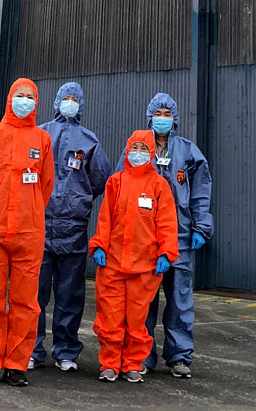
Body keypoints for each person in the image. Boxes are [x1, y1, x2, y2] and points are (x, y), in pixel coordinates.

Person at [0, 78, 54, 387]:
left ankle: (17, 363)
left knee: (26, 301)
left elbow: (46, 185)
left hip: (29, 233)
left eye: (30, 96)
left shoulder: (42, 139)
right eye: (19, 95)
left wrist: (30, 211)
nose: (24, 100)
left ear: (36, 102)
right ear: (9, 99)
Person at [30, 81, 110, 372]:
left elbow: (100, 178)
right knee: (33, 294)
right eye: (66, 98)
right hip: (39, 226)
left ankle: (65, 351)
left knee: (70, 295)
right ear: (57, 102)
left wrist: (77, 199)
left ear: (81, 104)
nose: (70, 102)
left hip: (73, 230)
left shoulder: (89, 140)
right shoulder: (40, 134)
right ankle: (31, 348)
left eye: (74, 98)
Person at [89, 131, 179, 383]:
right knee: (110, 317)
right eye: (134, 147)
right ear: (127, 150)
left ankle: (132, 364)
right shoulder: (115, 182)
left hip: (145, 266)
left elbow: (167, 223)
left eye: (143, 148)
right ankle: (109, 363)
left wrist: (166, 252)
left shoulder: (159, 185)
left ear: (151, 153)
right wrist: (99, 246)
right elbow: (105, 218)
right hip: (113, 264)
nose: (138, 152)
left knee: (137, 320)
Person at [143, 92, 213, 379]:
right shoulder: (138, 147)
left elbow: (201, 192)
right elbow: (120, 188)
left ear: (175, 119)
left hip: (181, 236)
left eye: (166, 114)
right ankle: (141, 353)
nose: (162, 119)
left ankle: (179, 355)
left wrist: (201, 226)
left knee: (180, 299)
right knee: (143, 300)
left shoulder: (188, 152)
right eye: (157, 114)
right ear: (150, 118)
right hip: (145, 237)